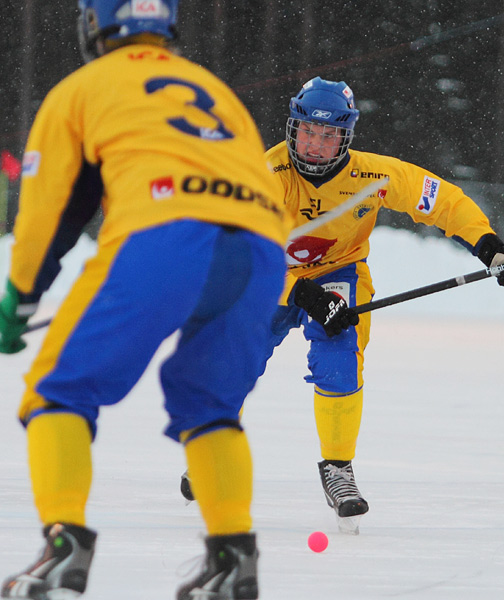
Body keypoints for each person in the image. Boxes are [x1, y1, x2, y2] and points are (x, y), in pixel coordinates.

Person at [0, 1, 289, 598]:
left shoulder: (81, 87)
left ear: (92, 24)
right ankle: (234, 556)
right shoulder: (214, 87)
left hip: (164, 233)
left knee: (58, 389)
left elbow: (48, 209)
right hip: (260, 250)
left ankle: (63, 545)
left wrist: (20, 297)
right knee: (209, 405)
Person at [181, 76, 504, 533]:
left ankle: (337, 469)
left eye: (327, 135)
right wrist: (304, 295)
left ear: (345, 137)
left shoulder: (374, 176)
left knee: (339, 357)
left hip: (338, 272)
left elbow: (442, 200)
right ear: (292, 128)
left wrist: (489, 247)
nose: (313, 144)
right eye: (306, 131)